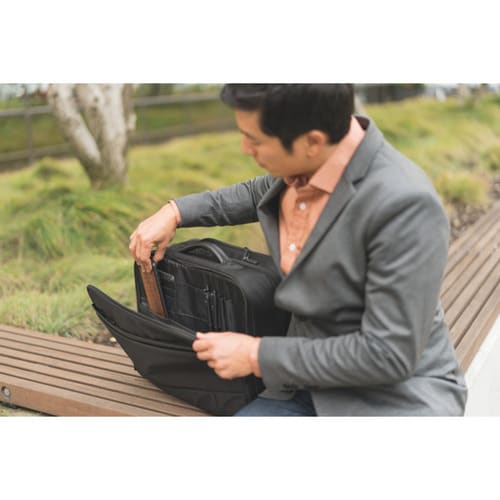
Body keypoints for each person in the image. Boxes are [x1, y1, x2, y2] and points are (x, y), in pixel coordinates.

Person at [129, 84, 467, 416]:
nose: (245, 149)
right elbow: (255, 193)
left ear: (312, 142)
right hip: (300, 384)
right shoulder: (305, 167)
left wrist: (256, 356)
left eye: (255, 140)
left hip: (392, 399)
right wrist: (175, 212)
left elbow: (388, 355)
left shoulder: (405, 206)